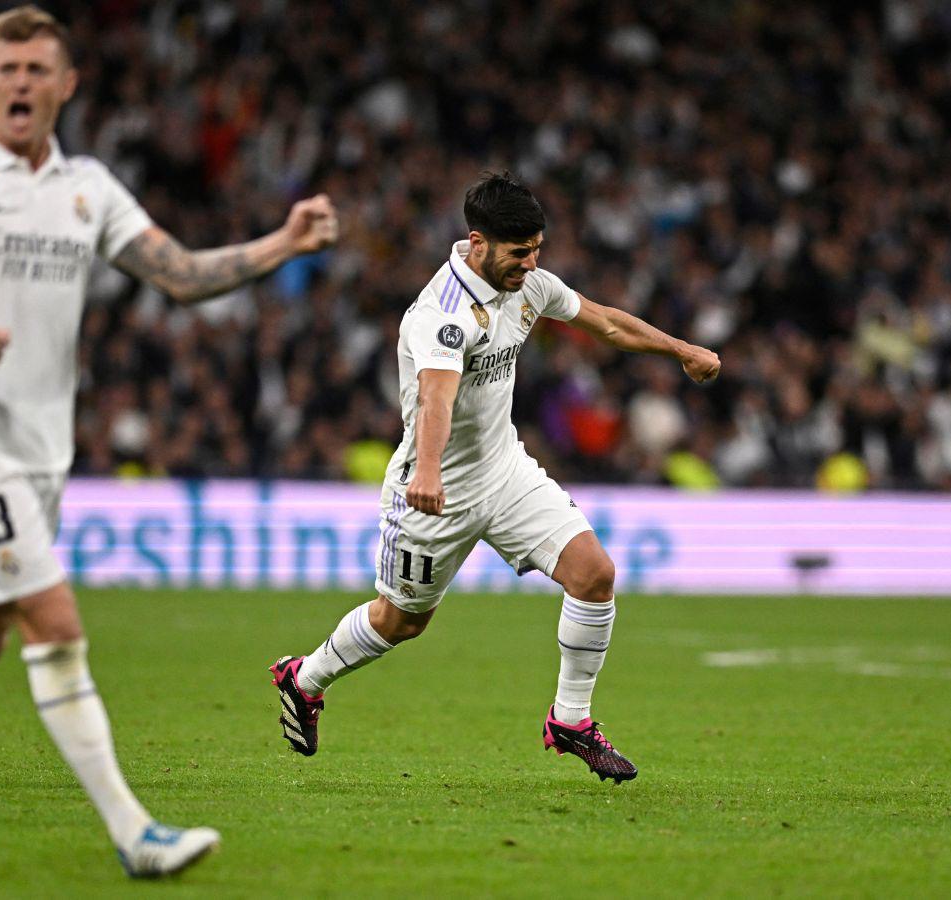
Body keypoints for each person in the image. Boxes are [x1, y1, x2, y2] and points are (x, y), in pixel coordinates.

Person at [0, 5, 338, 880]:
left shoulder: (87, 190)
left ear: (67, 84)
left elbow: (180, 275)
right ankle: (135, 833)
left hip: (44, 454)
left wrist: (281, 244)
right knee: (57, 624)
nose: (21, 83)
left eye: (39, 69)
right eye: (8, 68)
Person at [271, 172, 717, 783]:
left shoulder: (528, 284)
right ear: (477, 242)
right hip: (436, 492)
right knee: (401, 621)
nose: (531, 263)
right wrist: (427, 471)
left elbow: (606, 323)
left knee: (595, 575)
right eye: (519, 252)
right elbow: (436, 397)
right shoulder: (443, 313)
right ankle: (304, 678)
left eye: (537, 249)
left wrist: (682, 350)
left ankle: (572, 721)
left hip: (504, 471)